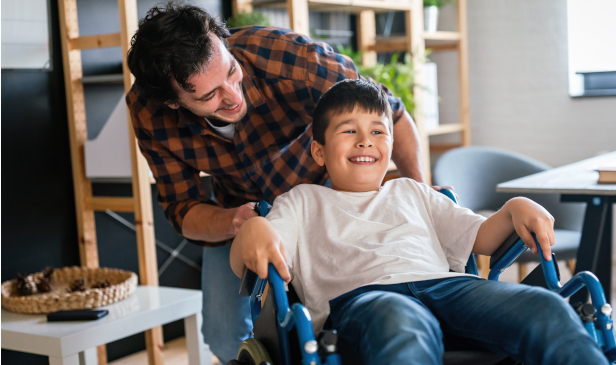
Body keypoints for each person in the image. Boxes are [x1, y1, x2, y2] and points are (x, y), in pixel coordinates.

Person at [125, 3, 432, 362]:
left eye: (232, 72)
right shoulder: (148, 112)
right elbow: (184, 208)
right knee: (224, 337)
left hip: (325, 197)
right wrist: (236, 222)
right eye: (210, 96)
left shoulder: (291, 58)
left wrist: (421, 193)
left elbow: (391, 114)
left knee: (339, 316)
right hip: (238, 214)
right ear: (171, 102)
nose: (233, 96)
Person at [230, 79, 609, 365]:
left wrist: (514, 207)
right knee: (401, 320)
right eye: (349, 132)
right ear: (318, 150)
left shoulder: (414, 192)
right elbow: (253, 256)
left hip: (447, 288)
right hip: (364, 302)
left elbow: (481, 238)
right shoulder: (301, 201)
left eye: (378, 131)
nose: (366, 142)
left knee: (544, 306)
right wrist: (251, 229)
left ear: (391, 145)